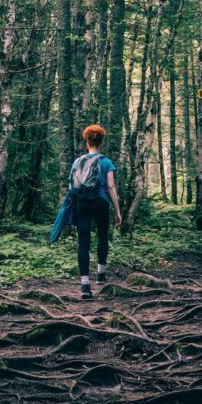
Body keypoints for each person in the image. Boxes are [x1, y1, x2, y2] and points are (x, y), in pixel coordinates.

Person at [69, 125, 122, 299]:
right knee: (102, 236)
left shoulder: (77, 162)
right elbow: (111, 186)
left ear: (87, 142)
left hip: (82, 203)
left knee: (83, 242)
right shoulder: (106, 162)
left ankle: (85, 286)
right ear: (101, 143)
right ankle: (100, 274)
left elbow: (71, 186)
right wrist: (117, 211)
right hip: (101, 202)